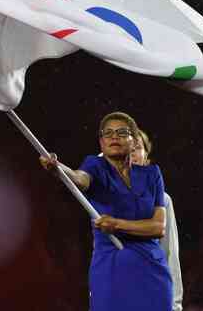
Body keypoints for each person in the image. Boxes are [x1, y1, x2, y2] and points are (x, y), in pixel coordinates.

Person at [40, 111, 172, 311]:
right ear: (101, 142)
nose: (114, 137)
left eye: (121, 132)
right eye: (107, 133)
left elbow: (158, 228)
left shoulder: (152, 174)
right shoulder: (95, 165)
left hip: (152, 270)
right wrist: (59, 169)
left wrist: (117, 224)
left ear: (134, 140)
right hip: (111, 270)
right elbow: (80, 179)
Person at [131, 129, 184, 311]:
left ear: (146, 157)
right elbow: (78, 180)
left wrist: (175, 305)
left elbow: (170, 254)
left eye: (136, 147)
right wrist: (58, 168)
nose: (131, 153)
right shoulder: (106, 197)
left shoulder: (162, 200)